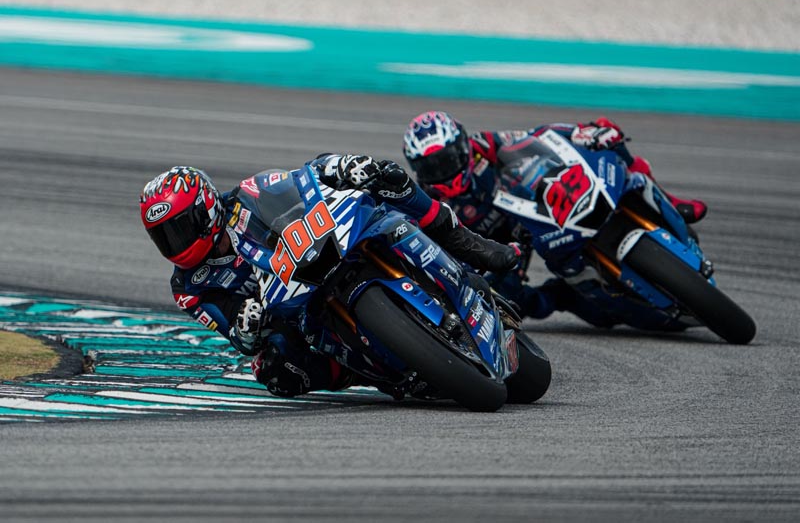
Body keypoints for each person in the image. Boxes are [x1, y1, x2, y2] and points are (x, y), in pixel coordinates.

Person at [139, 156, 517, 397]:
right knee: (274, 372)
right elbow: (237, 338)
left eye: (181, 227)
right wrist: (246, 325)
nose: (176, 243)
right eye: (164, 236)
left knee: (387, 176)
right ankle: (376, 371)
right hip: (292, 308)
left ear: (205, 210)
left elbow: (304, 178)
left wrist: (342, 167)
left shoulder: (247, 195)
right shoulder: (188, 287)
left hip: (322, 248)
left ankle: (464, 243)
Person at [401, 111, 708, 326]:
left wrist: (583, 133)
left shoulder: (485, 146)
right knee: (518, 303)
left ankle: (669, 200)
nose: (443, 173)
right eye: (432, 167)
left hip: (536, 209)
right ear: (418, 169)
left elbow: (540, 137)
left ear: (463, 146)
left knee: (612, 144)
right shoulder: (428, 201)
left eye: (448, 161)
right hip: (499, 247)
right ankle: (571, 296)